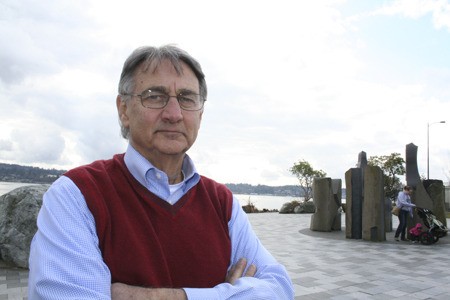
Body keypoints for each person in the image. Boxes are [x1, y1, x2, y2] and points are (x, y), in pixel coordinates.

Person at [28, 45, 294, 299]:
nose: (174, 113)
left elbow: (280, 288)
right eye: (155, 96)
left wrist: (162, 296)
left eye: (187, 98)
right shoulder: (77, 195)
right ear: (124, 110)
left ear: (200, 114)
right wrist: (227, 294)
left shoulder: (221, 203)